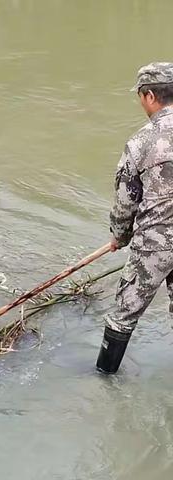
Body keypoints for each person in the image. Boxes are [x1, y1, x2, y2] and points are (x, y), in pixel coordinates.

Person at [96, 62, 173, 374]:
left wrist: (120, 235)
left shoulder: (141, 142)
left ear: (150, 96)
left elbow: (127, 200)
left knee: (124, 313)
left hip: (154, 244)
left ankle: (103, 378)